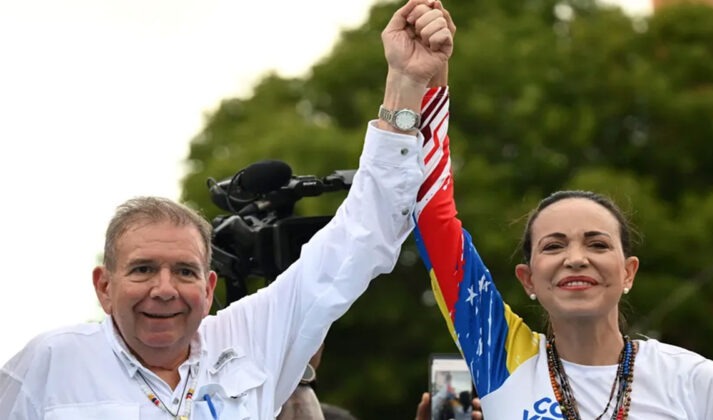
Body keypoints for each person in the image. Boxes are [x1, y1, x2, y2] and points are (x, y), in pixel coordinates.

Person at [0, 1, 453, 418]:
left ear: (210, 284)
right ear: (104, 285)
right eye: (141, 270)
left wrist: (405, 83)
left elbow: (361, 235)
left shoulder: (248, 339)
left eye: (184, 271)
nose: (164, 289)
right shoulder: (50, 363)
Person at [410, 5, 713, 419]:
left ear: (628, 271)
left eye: (597, 243)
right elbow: (432, 219)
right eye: (553, 246)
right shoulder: (499, 355)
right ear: (528, 278)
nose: (575, 258)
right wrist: (428, 80)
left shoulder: (693, 380)